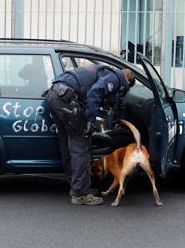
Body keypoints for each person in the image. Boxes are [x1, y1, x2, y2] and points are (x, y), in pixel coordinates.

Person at [44, 63, 134, 205]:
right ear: (126, 83)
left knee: (67, 144)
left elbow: (89, 91)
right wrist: (90, 121)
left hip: (55, 96)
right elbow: (94, 92)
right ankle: (80, 194)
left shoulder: (105, 71)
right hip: (66, 99)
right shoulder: (116, 79)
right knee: (81, 146)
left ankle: (77, 186)